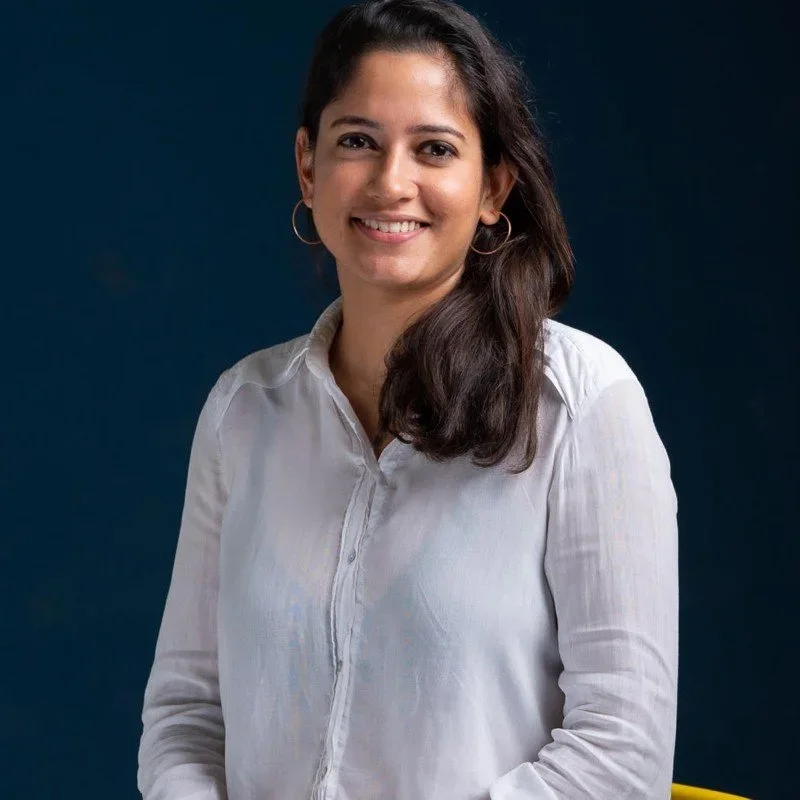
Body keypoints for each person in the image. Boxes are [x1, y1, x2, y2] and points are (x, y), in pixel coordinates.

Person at [136, 0, 679, 798]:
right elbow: (186, 715)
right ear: (307, 167)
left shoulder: (582, 404)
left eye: (435, 148)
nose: (392, 183)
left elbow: (620, 754)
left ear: (495, 185)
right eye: (357, 141)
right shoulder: (244, 411)